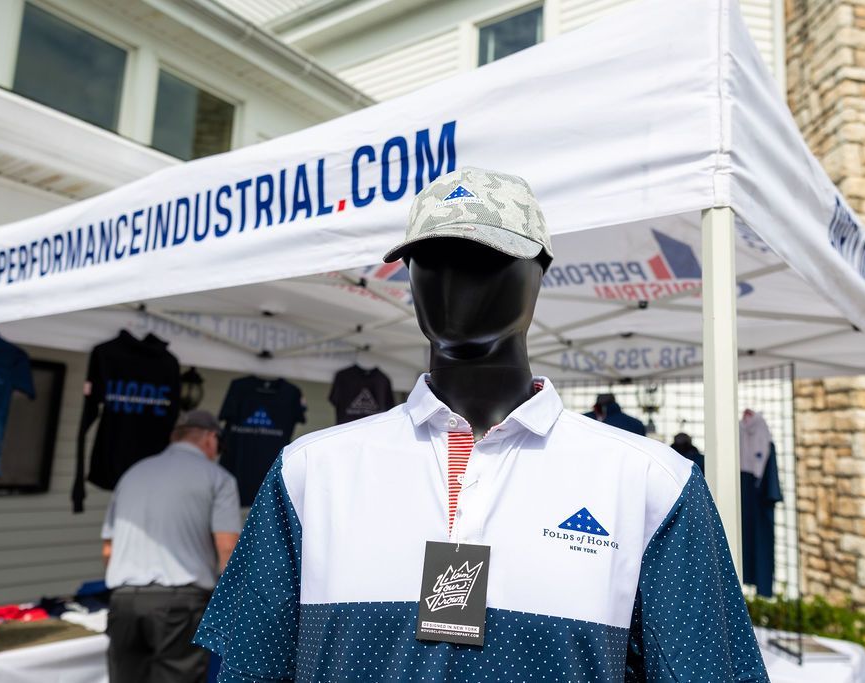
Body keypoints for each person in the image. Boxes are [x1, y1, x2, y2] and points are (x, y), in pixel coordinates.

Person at [194, 167, 767, 681]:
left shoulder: (652, 485)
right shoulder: (307, 472)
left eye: (483, 259)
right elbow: (249, 667)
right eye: (429, 261)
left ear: (538, 272)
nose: (451, 283)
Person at [102, 410, 240, 683]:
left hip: (124, 601)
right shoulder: (217, 478)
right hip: (180, 603)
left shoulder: (134, 473)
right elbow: (227, 548)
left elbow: (109, 549)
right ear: (211, 439)